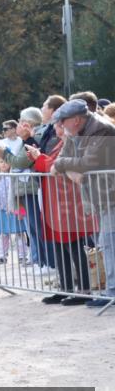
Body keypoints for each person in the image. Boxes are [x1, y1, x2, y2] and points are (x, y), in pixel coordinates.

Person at [50, 98, 115, 308]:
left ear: (76, 120)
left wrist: (62, 165)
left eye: (63, 121)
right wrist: (67, 167)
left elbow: (87, 163)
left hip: (110, 196)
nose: (60, 126)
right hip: (99, 198)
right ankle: (110, 290)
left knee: (108, 243)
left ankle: (112, 292)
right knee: (106, 244)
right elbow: (64, 159)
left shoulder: (101, 130)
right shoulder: (76, 132)